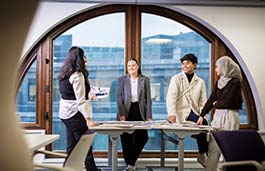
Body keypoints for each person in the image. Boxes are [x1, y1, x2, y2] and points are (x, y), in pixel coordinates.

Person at [58, 46, 99, 171]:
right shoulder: (77, 75)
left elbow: (70, 94)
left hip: (65, 114)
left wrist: (88, 95)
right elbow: (80, 101)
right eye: (83, 56)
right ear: (79, 58)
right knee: (85, 147)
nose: (85, 59)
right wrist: (88, 119)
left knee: (72, 146)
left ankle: (67, 169)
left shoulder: (64, 73)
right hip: (75, 114)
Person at [199, 56, 243, 171]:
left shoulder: (236, 82)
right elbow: (211, 99)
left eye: (217, 66)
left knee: (229, 148)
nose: (215, 69)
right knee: (213, 147)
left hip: (231, 116)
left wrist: (216, 104)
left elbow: (230, 101)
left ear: (225, 67)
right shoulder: (219, 82)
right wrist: (202, 115)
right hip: (218, 115)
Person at [166, 53, 208, 167]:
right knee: (204, 125)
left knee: (204, 124)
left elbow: (203, 102)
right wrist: (171, 114)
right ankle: (203, 154)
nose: (185, 65)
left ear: (195, 65)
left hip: (195, 112)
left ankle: (203, 154)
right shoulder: (176, 78)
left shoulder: (200, 82)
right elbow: (171, 97)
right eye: (183, 63)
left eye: (188, 63)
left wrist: (202, 115)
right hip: (181, 113)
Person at [116, 58, 152, 171]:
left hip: (139, 110)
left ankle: (131, 162)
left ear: (138, 66)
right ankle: (130, 165)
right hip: (126, 110)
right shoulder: (122, 79)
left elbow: (148, 99)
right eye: (129, 66)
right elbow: (119, 98)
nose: (131, 68)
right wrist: (122, 114)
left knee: (143, 137)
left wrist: (149, 116)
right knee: (126, 138)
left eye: (133, 65)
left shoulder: (144, 79)